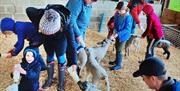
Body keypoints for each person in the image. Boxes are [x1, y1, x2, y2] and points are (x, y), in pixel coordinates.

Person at [26, 4, 78, 91]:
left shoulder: (67, 24)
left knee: (61, 58)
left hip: (60, 41)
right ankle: (50, 79)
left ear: (58, 27)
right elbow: (28, 9)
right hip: (46, 40)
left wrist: (74, 62)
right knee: (49, 56)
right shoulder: (40, 14)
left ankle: (61, 83)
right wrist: (37, 26)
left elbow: (72, 44)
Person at [109, 1, 133, 70]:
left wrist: (118, 34)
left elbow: (127, 29)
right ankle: (116, 61)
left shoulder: (128, 17)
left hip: (123, 36)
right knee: (116, 47)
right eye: (118, 9)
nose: (118, 11)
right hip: (117, 33)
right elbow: (115, 23)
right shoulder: (117, 14)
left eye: (120, 10)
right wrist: (114, 31)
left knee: (119, 49)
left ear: (125, 9)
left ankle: (119, 65)